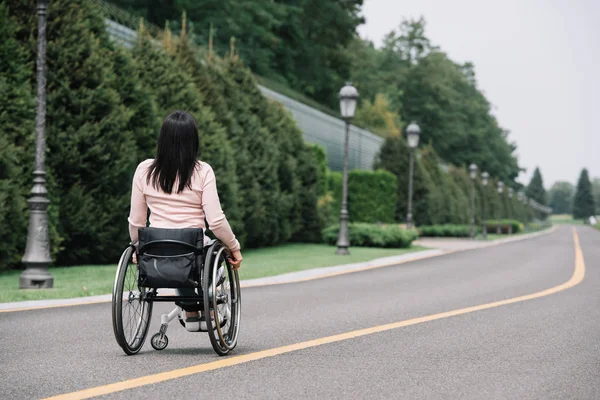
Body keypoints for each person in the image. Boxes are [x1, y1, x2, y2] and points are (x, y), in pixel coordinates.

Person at [128, 110, 242, 332]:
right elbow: (216, 222)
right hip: (192, 246)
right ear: (193, 141)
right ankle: (209, 308)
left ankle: (190, 311)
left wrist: (136, 245)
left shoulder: (144, 170)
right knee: (210, 253)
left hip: (155, 246)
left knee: (182, 254)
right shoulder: (202, 172)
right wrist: (233, 247)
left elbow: (137, 220)